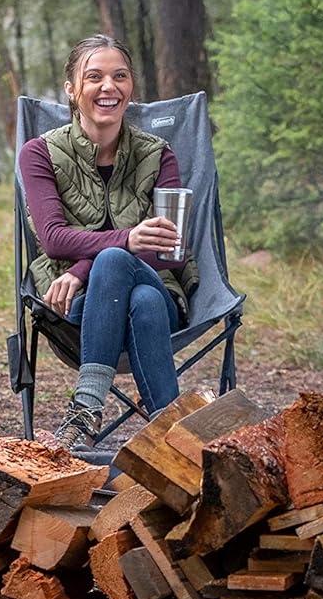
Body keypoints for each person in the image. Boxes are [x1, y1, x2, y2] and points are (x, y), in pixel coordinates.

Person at [17, 34, 199, 449]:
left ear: (131, 86)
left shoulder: (158, 154)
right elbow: (53, 239)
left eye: (119, 76)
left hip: (155, 284)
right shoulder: (40, 153)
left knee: (126, 272)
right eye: (94, 77)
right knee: (142, 303)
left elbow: (168, 254)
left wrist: (86, 268)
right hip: (75, 310)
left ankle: (85, 410)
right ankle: (173, 441)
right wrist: (127, 242)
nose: (108, 87)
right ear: (72, 89)